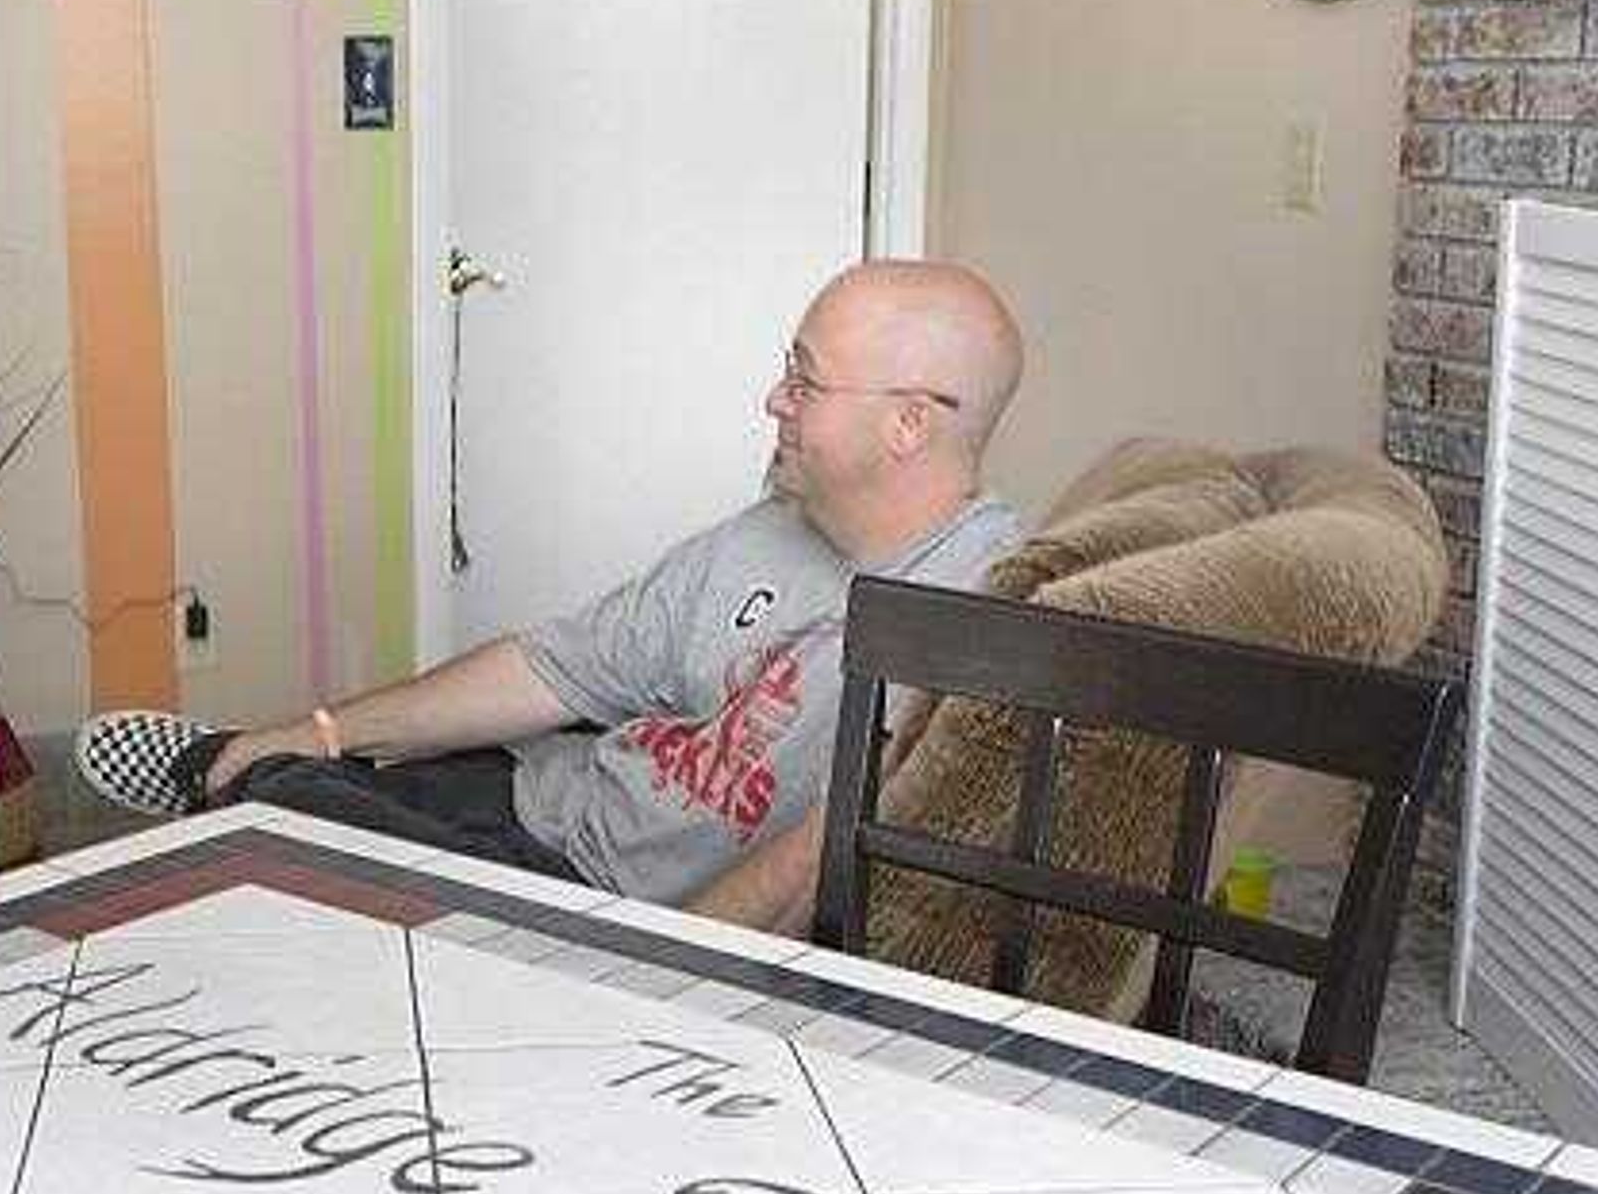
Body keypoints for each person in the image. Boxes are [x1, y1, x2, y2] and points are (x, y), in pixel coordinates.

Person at [74, 262, 1027, 933]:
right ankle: (256, 767)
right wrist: (322, 727)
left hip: (595, 901)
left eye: (804, 380)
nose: (773, 400)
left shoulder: (981, 607)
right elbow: (561, 665)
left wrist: (656, 969)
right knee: (329, 772)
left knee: (290, 821)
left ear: (909, 423)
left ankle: (223, 776)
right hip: (552, 794)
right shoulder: (772, 525)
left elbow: (827, 851)